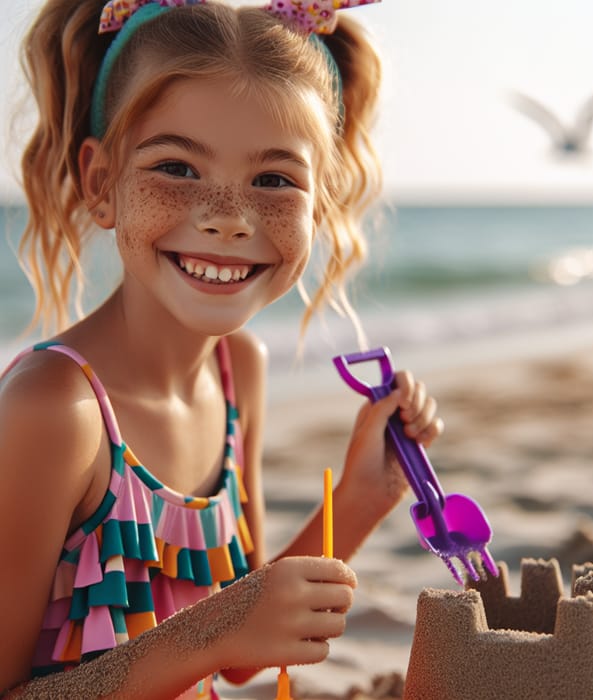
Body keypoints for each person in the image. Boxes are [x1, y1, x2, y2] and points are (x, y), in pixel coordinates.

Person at [0, 0, 444, 697]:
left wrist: (363, 494)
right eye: (176, 167)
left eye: (274, 180)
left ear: (319, 203)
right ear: (99, 183)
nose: (230, 219)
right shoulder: (54, 410)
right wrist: (221, 628)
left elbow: (239, 650)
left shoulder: (241, 371)